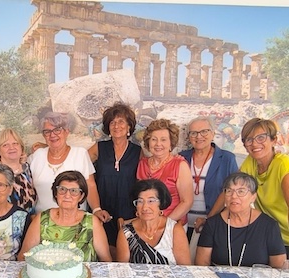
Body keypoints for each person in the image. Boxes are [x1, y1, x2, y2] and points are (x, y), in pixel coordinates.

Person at [207, 118, 289, 264]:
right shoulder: (251, 162)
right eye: (249, 139)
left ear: (274, 140)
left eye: (261, 138)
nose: (254, 143)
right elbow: (229, 189)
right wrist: (209, 220)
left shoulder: (283, 164)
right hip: (279, 237)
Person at [29, 112, 110, 223]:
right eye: (47, 131)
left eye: (57, 130)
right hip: (43, 222)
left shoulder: (80, 154)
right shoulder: (36, 156)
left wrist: (96, 209)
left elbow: (90, 185)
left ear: (67, 131)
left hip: (76, 221)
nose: (52, 135)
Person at [195, 172, 286, 268]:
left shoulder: (269, 226)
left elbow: (279, 268)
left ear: (253, 197)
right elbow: (202, 264)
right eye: (229, 191)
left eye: (241, 191)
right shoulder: (212, 224)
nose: (234, 196)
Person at [18, 171, 112, 262]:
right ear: (56, 193)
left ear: (81, 196)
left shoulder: (92, 222)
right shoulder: (42, 219)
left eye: (74, 191)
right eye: (62, 189)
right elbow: (23, 256)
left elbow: (106, 260)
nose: (67, 195)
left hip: (84, 276)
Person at [88, 103, 142, 255]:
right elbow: (77, 161)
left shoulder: (138, 151)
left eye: (121, 121)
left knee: (126, 254)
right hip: (103, 210)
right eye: (112, 122)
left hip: (128, 212)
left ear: (129, 126)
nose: (116, 125)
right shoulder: (99, 147)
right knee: (104, 253)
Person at [179, 116, 238, 243]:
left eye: (204, 131)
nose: (199, 136)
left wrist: (208, 220)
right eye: (193, 133)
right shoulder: (181, 158)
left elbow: (230, 192)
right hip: (181, 225)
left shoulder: (227, 159)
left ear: (213, 133)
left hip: (214, 225)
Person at [116, 179, 191, 265]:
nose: (145, 207)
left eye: (151, 201)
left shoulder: (174, 230)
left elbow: (185, 270)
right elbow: (122, 270)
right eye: (140, 201)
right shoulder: (126, 233)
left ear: (161, 203)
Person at [136, 119, 194, 228]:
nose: (158, 144)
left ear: (171, 144)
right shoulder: (142, 164)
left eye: (163, 140)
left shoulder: (180, 165)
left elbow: (187, 202)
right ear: (148, 142)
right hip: (146, 224)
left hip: (173, 224)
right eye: (154, 139)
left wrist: (165, 223)